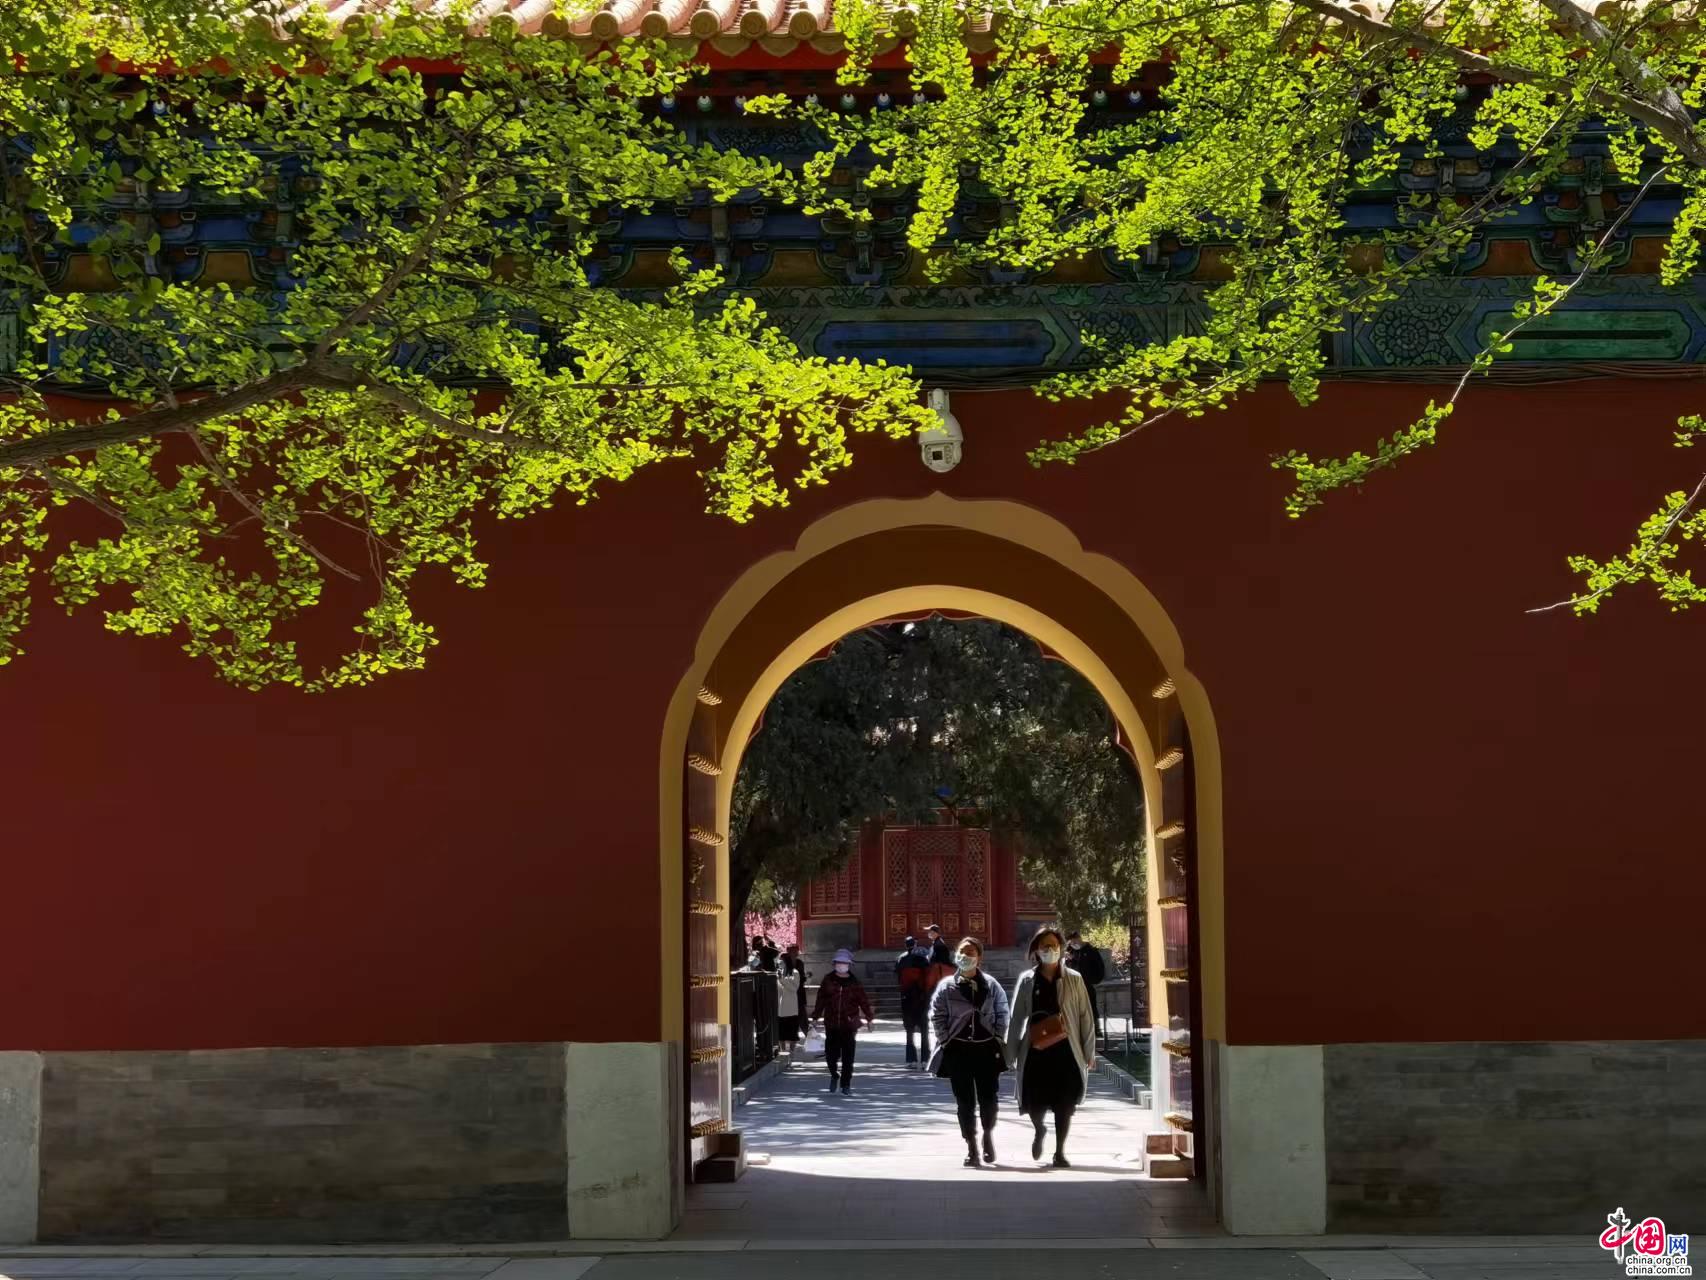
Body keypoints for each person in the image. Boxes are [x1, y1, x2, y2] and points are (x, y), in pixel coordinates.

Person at [1007, 925, 1096, 1167]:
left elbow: (1085, 1017)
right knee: (1034, 1102)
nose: (1050, 950)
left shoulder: (1074, 979)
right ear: (1036, 949)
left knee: (1064, 1104)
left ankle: (1059, 1151)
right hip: (1036, 1051)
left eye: (1054, 946)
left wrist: (1089, 1051)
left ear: (1061, 948)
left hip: (1066, 1051)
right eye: (1045, 946)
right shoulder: (1027, 980)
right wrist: (1011, 1052)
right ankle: (1039, 1129)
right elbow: (1016, 1019)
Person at [927, 935, 1010, 1168]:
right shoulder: (947, 986)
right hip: (958, 1050)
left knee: (989, 1098)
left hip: (986, 1049)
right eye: (962, 952)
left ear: (979, 958)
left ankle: (987, 1133)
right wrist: (945, 1040)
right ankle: (971, 1146)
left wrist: (998, 1036)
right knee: (964, 1101)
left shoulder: (991, 985)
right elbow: (937, 1014)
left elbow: (1002, 1012)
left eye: (971, 953)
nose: (965, 956)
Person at [810, 947, 874, 1095]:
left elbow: (863, 1001)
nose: (841, 965)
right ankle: (834, 1074)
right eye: (839, 962)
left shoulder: (854, 982)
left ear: (849, 964)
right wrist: (815, 1017)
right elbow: (821, 999)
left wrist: (869, 1018)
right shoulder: (828, 980)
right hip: (831, 1023)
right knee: (831, 1055)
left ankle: (846, 1084)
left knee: (848, 1057)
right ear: (834, 964)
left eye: (844, 963)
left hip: (849, 1024)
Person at [895, 935, 933, 1068]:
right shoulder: (922, 959)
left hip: (906, 998)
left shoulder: (901, 959)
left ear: (906, 945)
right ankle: (925, 1059)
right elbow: (928, 977)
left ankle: (911, 1060)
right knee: (924, 1030)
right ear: (915, 944)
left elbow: (898, 977)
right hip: (922, 997)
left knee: (909, 1030)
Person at [1065, 930, 1107, 1046]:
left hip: (1086, 985)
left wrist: (1093, 980)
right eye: (1071, 942)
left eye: (1074, 941)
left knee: (1090, 1008)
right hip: (1072, 986)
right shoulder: (1069, 951)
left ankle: (1095, 1030)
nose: (1073, 944)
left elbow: (1099, 968)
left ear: (1079, 938)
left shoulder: (1091, 951)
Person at [775, 954, 802, 1051]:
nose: (780, 963)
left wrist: (782, 979)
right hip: (781, 1008)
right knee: (781, 1033)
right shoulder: (779, 973)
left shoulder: (794, 972)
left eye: (782, 961)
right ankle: (783, 1051)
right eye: (779, 961)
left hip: (791, 1008)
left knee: (792, 1032)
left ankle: (792, 1050)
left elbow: (794, 988)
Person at [924, 924, 955, 993]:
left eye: (930, 932)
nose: (928, 934)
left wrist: (927, 959)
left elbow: (933, 959)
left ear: (935, 933)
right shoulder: (937, 942)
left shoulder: (938, 944)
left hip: (938, 970)